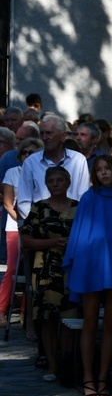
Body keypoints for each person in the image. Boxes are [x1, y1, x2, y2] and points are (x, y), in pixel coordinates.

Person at [63, 155, 112, 396]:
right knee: (90, 323)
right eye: (99, 169)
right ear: (94, 174)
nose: (104, 173)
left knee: (111, 325)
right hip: (92, 267)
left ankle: (103, 377)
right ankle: (88, 377)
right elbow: (79, 233)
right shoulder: (88, 198)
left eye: (108, 169)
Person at [20, 167, 79, 383]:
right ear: (46, 183)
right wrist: (53, 242)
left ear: (68, 182)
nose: (55, 184)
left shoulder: (78, 208)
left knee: (70, 319)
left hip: (72, 270)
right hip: (45, 270)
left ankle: (67, 364)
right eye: (51, 180)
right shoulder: (39, 208)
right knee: (48, 319)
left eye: (60, 180)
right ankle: (52, 365)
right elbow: (25, 241)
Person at [0, 138, 43, 330]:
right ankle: (1, 309)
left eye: (32, 152)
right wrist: (21, 221)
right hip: (15, 225)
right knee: (12, 269)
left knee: (33, 270)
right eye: (25, 152)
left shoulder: (42, 173)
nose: (28, 155)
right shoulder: (13, 172)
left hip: (37, 227)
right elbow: (8, 202)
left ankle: (28, 312)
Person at [17, 115, 90, 220]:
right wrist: (39, 222)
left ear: (63, 135)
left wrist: (71, 221)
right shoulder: (31, 162)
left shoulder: (78, 160)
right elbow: (24, 200)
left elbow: (83, 196)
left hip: (73, 223)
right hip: (40, 226)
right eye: (42, 133)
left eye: (49, 133)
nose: (45, 138)